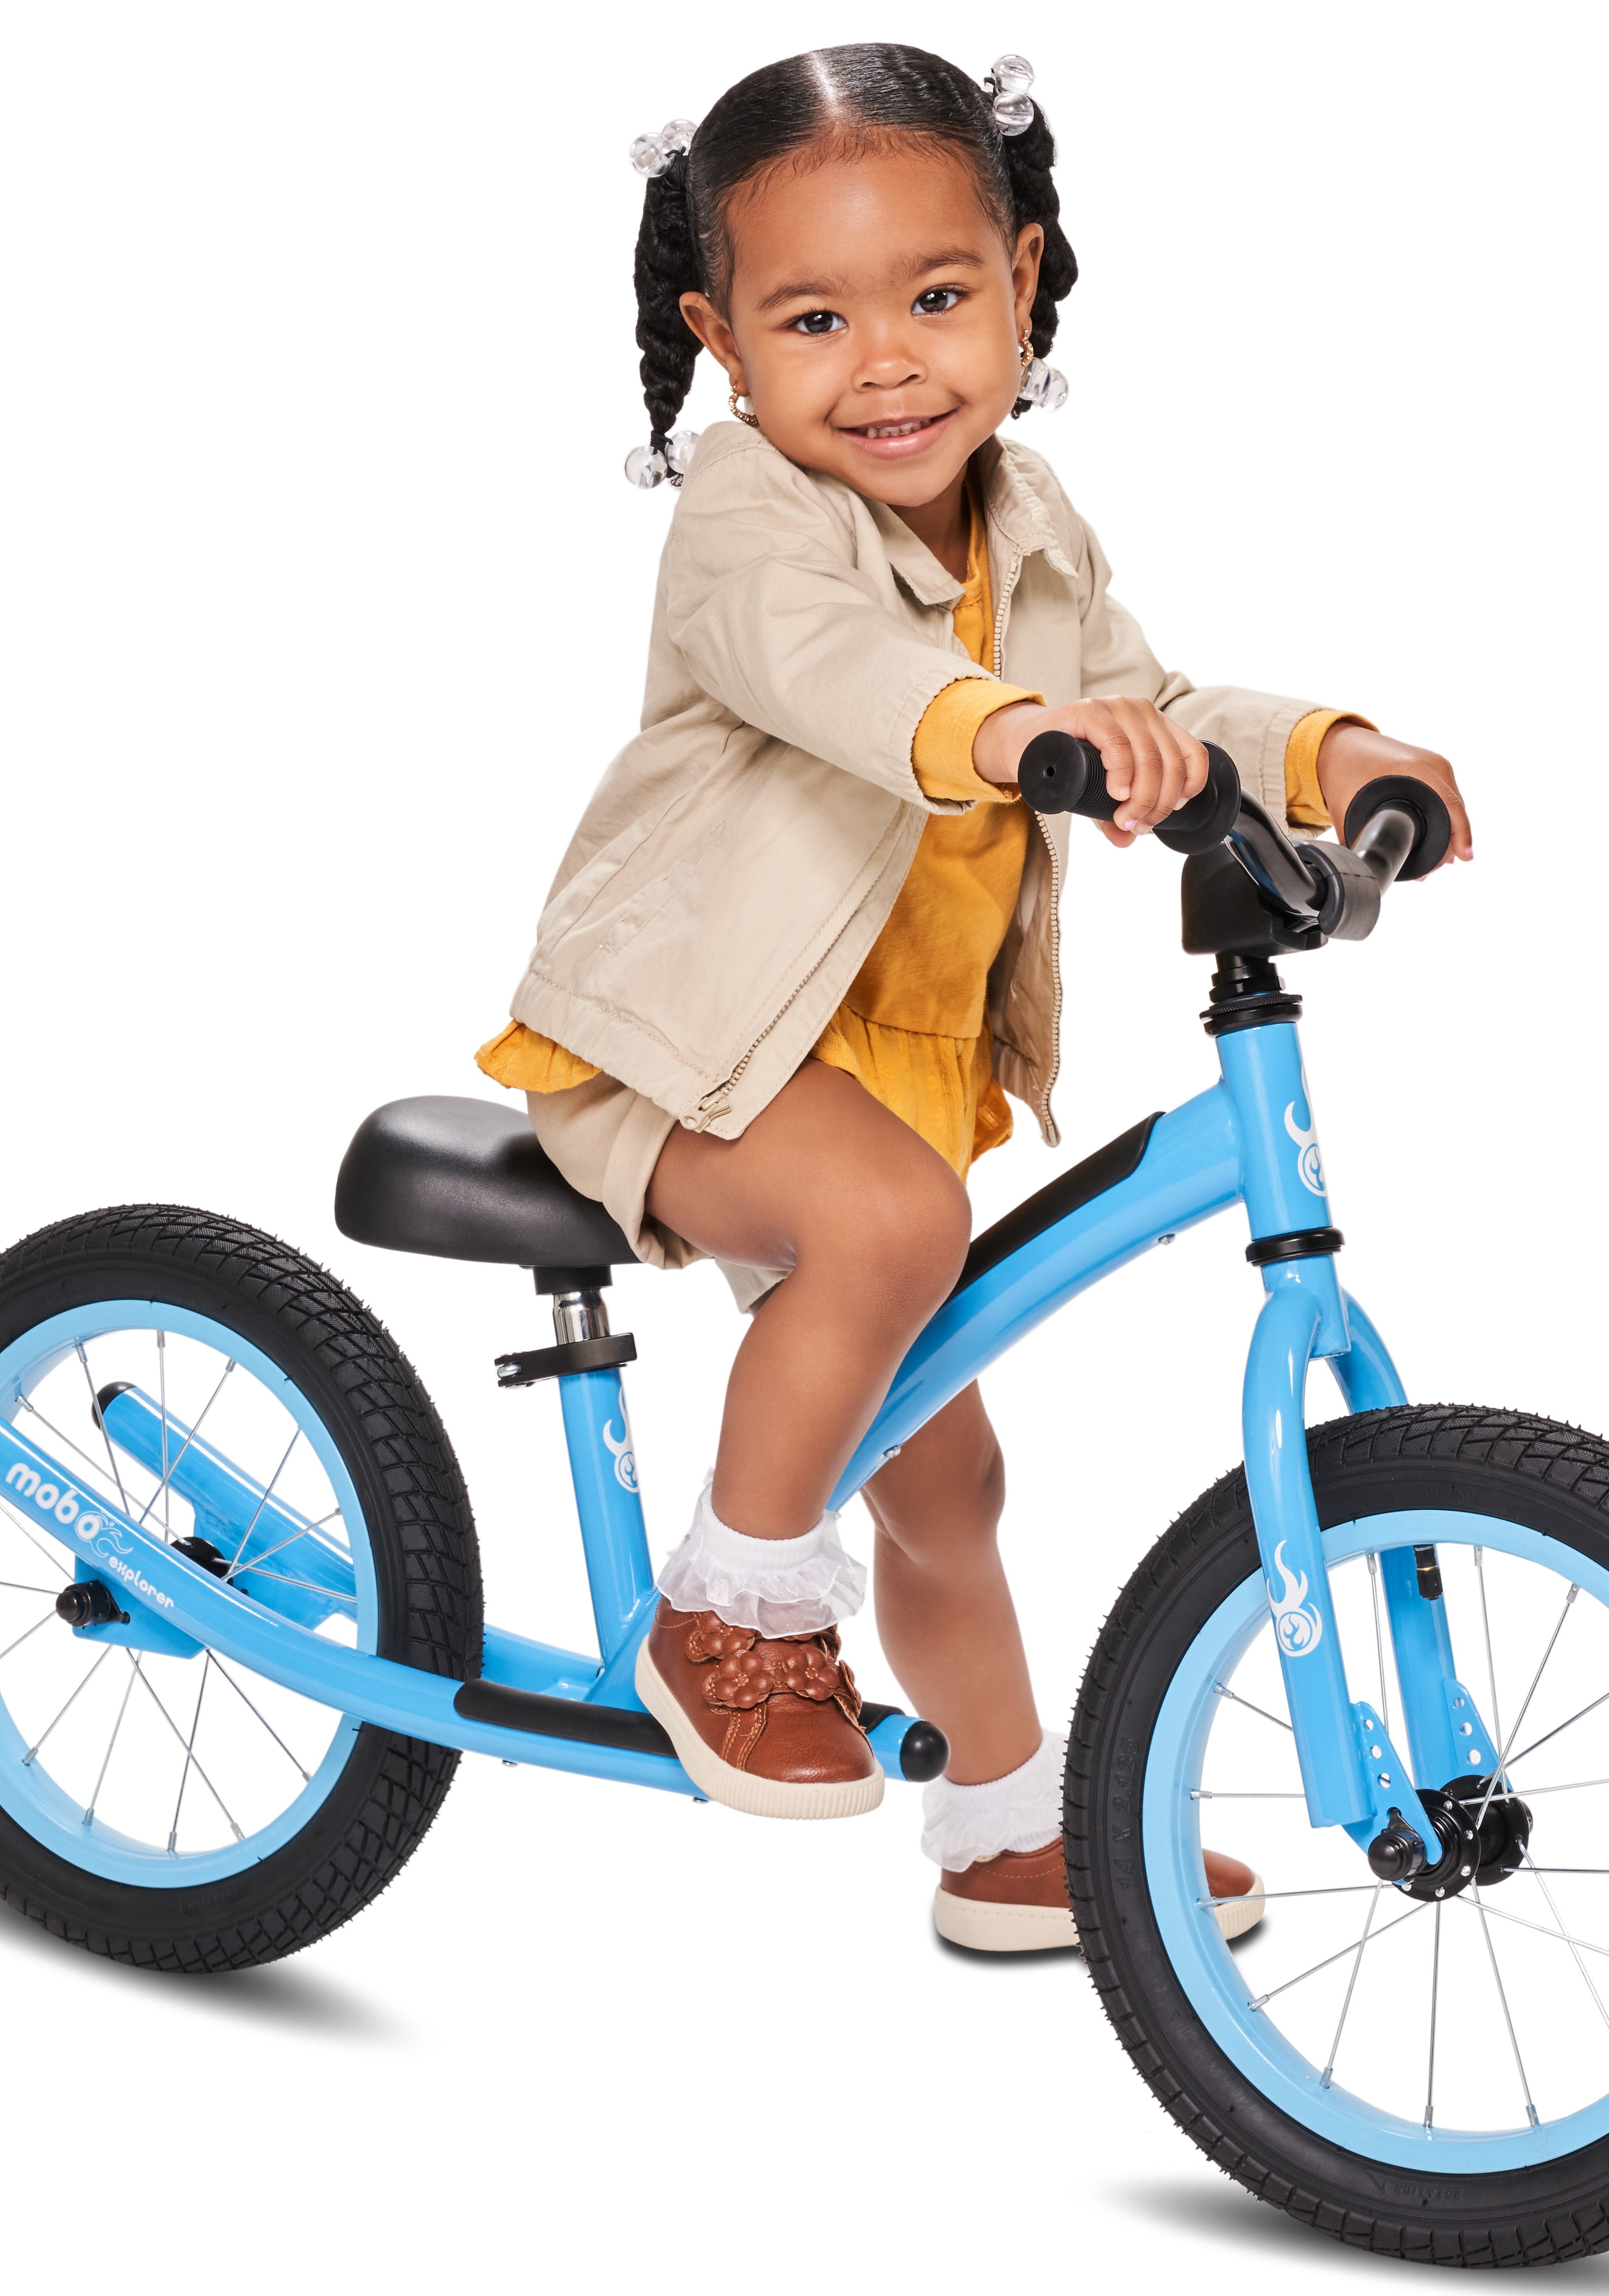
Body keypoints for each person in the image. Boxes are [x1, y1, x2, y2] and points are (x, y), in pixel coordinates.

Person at [477, 44, 1471, 1952]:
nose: (885, 364)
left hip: (875, 1070)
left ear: (1023, 282)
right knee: (891, 1226)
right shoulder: (746, 515)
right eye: (812, 319)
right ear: (721, 343)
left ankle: (1010, 1832)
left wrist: (1323, 753)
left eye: (936, 296)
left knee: (949, 1481)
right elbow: (829, 669)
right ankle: (726, 1608)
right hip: (683, 1046)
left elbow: (1149, 707)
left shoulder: (1030, 523)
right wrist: (1009, 732)